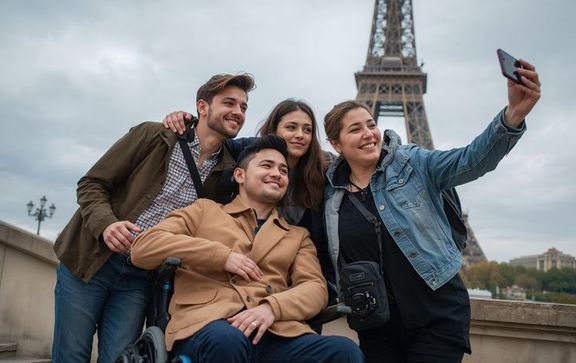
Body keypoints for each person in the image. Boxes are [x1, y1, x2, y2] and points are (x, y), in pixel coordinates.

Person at [322, 60, 541, 362]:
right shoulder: (330, 193)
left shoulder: (414, 163)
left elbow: (471, 160)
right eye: (355, 129)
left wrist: (514, 114)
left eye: (371, 124)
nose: (369, 133)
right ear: (336, 144)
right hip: (377, 324)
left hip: (436, 317)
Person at [52, 73, 256, 363]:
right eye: (229, 103)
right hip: (90, 261)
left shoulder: (227, 172)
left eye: (244, 107)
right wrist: (107, 224)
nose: (238, 112)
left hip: (140, 276)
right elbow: (91, 184)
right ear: (202, 106)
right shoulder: (153, 135)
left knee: (119, 358)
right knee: (71, 356)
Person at [130, 135, 364, 363]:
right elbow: (144, 247)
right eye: (267, 165)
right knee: (228, 340)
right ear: (239, 175)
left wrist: (272, 308)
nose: (277, 174)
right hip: (208, 326)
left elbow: (315, 288)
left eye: (283, 170)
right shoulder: (204, 211)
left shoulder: (297, 236)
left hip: (275, 331)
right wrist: (221, 257)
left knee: (344, 351)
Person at [163, 100, 335, 297]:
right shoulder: (246, 151)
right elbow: (208, 138)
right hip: (236, 268)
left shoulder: (324, 167)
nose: (300, 135)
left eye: (307, 130)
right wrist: (188, 120)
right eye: (291, 127)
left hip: (291, 270)